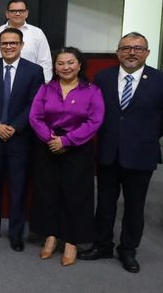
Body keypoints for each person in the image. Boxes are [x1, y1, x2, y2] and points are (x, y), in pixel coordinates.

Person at [78, 32, 163, 273]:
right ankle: (102, 245)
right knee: (105, 203)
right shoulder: (103, 77)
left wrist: (150, 134)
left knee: (135, 206)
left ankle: (128, 250)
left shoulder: (162, 80)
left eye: (137, 48)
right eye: (126, 48)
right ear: (118, 52)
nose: (131, 52)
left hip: (141, 154)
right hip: (108, 152)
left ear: (147, 53)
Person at [29, 47, 104, 266]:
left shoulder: (91, 90)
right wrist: (50, 139)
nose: (66, 67)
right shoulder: (46, 89)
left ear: (79, 65)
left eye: (71, 62)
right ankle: (51, 236)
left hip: (78, 147)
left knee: (76, 195)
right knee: (48, 192)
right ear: (55, 67)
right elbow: (35, 117)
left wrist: (67, 140)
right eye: (60, 63)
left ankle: (72, 240)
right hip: (48, 145)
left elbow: (95, 120)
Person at [0, 28, 44, 251]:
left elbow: (35, 104)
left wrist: (14, 127)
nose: (9, 46)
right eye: (4, 43)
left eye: (13, 43)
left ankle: (15, 234)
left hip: (18, 139)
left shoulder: (34, 71)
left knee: (18, 190)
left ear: (21, 45)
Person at [0, 0, 52, 81]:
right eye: (13, 11)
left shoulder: (37, 33)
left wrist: (44, 83)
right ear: (7, 14)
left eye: (21, 11)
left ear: (27, 13)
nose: (17, 14)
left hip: (31, 81)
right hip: (1, 81)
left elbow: (45, 61)